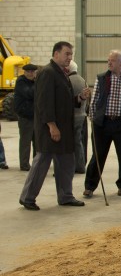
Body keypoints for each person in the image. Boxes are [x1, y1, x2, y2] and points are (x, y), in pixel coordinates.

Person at [19, 41, 89, 211]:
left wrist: (79, 98)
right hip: (51, 128)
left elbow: (62, 102)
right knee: (42, 162)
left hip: (64, 128)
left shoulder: (61, 73)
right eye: (66, 54)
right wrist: (52, 126)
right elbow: (44, 103)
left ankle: (66, 196)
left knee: (66, 162)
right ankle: (27, 197)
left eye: (71, 54)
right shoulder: (47, 73)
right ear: (56, 53)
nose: (69, 57)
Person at [83, 50, 121, 198]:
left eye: (112, 60)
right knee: (97, 156)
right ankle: (90, 186)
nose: (109, 63)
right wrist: (93, 118)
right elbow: (95, 99)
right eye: (108, 60)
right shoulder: (101, 78)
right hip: (103, 123)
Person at [14, 63, 38, 171]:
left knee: (37, 141)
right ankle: (24, 164)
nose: (30, 73)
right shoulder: (21, 82)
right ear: (24, 72)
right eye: (28, 72)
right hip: (25, 116)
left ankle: (36, 163)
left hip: (35, 116)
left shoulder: (35, 82)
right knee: (25, 141)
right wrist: (39, 86)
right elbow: (29, 93)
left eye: (32, 71)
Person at [68, 60, 88, 174]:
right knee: (79, 141)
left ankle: (78, 166)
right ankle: (80, 165)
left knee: (73, 142)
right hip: (82, 114)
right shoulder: (82, 80)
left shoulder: (68, 80)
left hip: (73, 116)